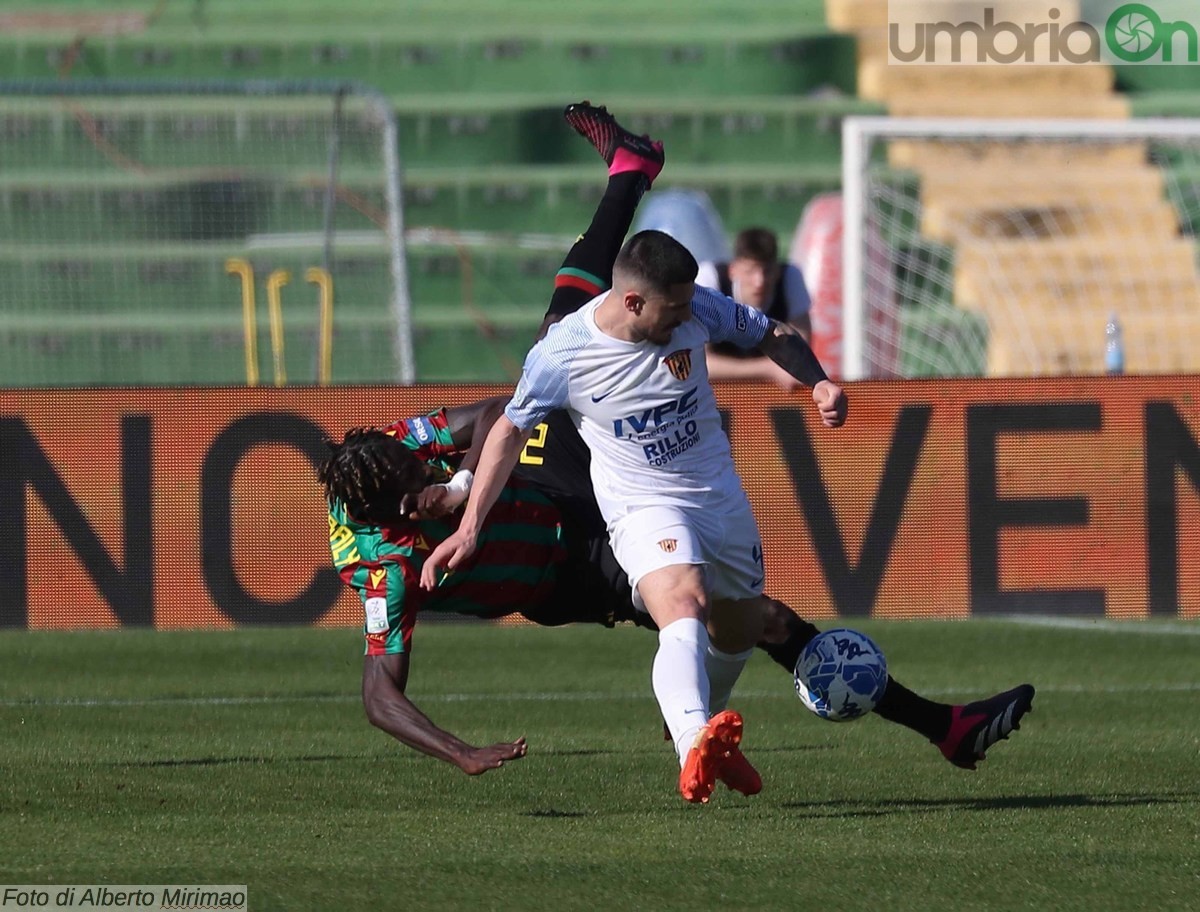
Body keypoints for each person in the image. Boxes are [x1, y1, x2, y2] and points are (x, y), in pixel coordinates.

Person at [322, 102, 1035, 790]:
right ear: (390, 514)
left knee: (558, 336)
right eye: (417, 489)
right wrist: (461, 752)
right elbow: (379, 695)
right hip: (569, 565)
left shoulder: (395, 447)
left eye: (421, 468)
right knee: (745, 617)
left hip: (551, 480)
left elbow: (493, 416)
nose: (425, 472)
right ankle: (928, 725)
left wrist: (459, 489)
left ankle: (629, 171)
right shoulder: (380, 569)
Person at [697, 227, 813, 389]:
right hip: (714, 396)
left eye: (767, 271)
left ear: (777, 271)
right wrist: (767, 369)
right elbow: (698, 364)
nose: (759, 282)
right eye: (750, 271)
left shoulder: (791, 278)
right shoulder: (710, 281)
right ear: (733, 271)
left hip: (774, 395)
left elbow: (801, 359)